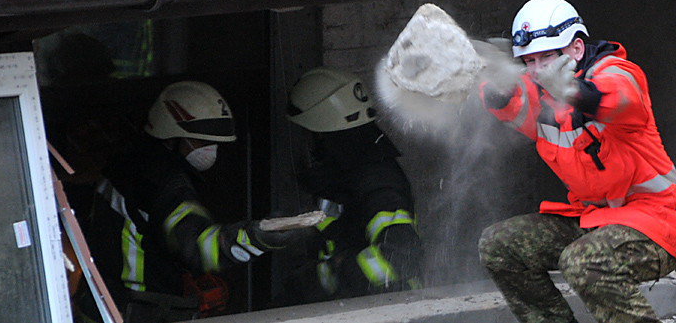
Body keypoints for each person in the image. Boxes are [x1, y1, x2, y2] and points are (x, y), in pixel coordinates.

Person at [476, 0, 676, 323]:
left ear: (576, 49)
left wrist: (572, 91)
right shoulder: (537, 91)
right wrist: (493, 83)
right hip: (594, 219)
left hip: (657, 222)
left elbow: (619, 96)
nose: (536, 70)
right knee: (497, 246)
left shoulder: (615, 72)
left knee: (582, 261)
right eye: (529, 61)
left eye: (547, 57)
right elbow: (511, 103)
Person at [80, 81, 312, 323]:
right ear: (172, 137)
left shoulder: (126, 164)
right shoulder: (164, 183)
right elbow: (201, 247)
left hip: (100, 305)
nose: (211, 151)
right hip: (134, 312)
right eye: (201, 142)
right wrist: (260, 235)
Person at [284, 67, 423, 301]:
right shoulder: (344, 174)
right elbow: (339, 231)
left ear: (324, 133)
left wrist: (331, 275)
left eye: (309, 133)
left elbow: (402, 256)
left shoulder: (377, 180)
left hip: (388, 309)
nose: (306, 143)